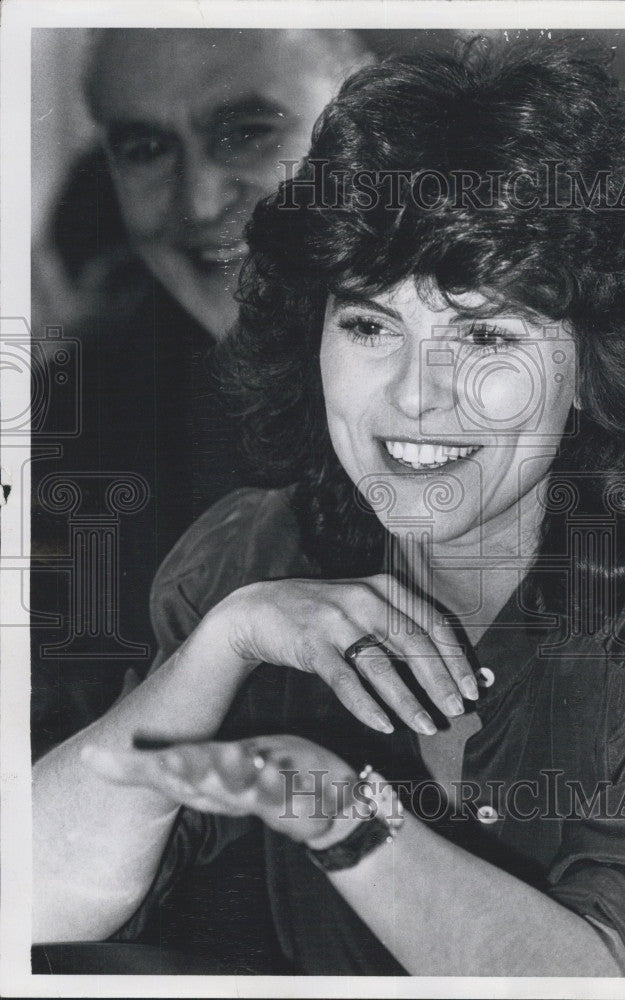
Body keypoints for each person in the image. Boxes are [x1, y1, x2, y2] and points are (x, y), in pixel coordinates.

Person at [32, 37, 625, 977]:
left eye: (484, 334)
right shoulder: (246, 556)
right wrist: (222, 645)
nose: (416, 395)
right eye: (368, 323)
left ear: (592, 368)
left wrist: (331, 805)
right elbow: (30, 894)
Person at [30, 29, 368, 755]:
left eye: (247, 132)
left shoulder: (524, 361)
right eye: (146, 149)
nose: (199, 200)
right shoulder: (76, 417)